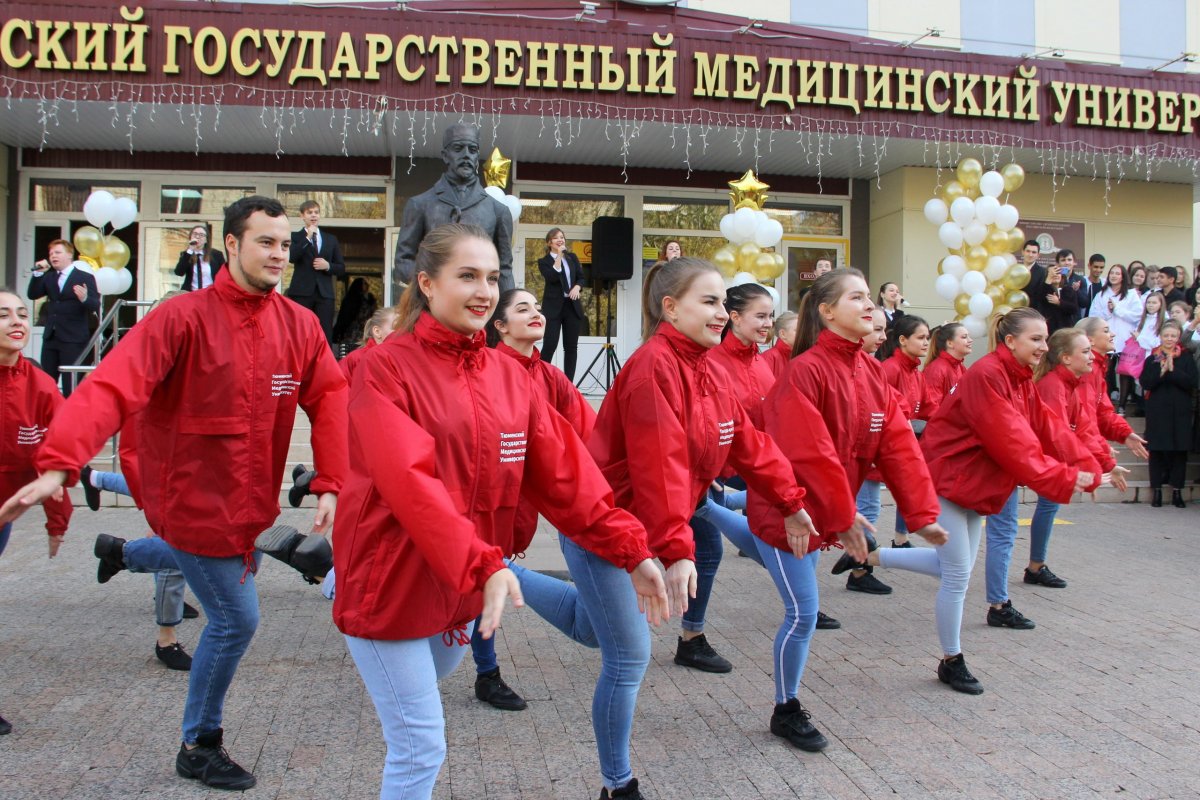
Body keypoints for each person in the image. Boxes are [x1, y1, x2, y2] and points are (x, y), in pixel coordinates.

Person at [0, 196, 350, 791]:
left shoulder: (299, 324)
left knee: (234, 570)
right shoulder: (181, 316)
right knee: (237, 620)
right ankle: (199, 743)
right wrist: (61, 462)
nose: (277, 254)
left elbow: (332, 399)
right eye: (265, 242)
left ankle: (118, 553)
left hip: (251, 505)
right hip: (190, 501)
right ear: (231, 245)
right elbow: (112, 386)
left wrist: (331, 480)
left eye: (285, 244)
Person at [332, 224, 665, 800]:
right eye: (467, 276)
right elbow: (411, 484)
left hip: (459, 588)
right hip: (390, 584)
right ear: (427, 283)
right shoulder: (384, 368)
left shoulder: (509, 375)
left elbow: (567, 478)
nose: (484, 291)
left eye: (491, 277)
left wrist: (630, 549)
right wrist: (484, 564)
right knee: (420, 745)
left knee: (425, 700)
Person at [835, 308, 1100, 694]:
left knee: (950, 569)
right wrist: (1068, 476)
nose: (1043, 346)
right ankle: (951, 659)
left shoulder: (1021, 378)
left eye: (1045, 339)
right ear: (1010, 341)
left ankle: (866, 557)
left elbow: (1048, 427)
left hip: (975, 487)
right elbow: (1014, 442)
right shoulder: (989, 375)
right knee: (957, 576)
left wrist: (1094, 464)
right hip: (948, 480)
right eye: (1036, 339)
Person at [588, 258, 828, 683]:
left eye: (723, 301)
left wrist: (790, 500)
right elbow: (659, 466)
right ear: (671, 308)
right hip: (613, 523)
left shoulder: (707, 367)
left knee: (606, 630)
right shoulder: (653, 367)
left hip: (661, 518)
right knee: (622, 653)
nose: (722, 312)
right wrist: (676, 551)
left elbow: (747, 441)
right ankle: (508, 576)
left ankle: (687, 635)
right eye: (709, 301)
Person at [486, 287, 671, 793]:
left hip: (575, 509)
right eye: (521, 308)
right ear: (498, 326)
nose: (536, 314)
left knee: (592, 631)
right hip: (507, 508)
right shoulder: (488, 370)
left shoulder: (550, 376)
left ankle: (502, 573)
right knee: (625, 655)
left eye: (537, 307)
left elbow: (589, 441)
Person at [0, 287, 73, 736]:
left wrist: (57, 524)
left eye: (23, 313)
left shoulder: (40, 385)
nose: (16, 321)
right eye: (4, 314)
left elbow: (61, 458)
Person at [1026, 329, 1129, 595]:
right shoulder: (1053, 385)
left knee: (1047, 508)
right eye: (1085, 351)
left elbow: (1084, 428)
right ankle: (1029, 572)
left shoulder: (1072, 383)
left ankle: (1036, 566)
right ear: (1066, 358)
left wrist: (1105, 464)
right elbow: (1056, 433)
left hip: (1045, 457)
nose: (1091, 357)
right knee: (1015, 519)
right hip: (1033, 457)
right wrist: (1079, 472)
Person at [393, 124, 514, 298]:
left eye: (472, 150)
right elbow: (404, 260)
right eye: (458, 148)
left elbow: (505, 269)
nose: (466, 155)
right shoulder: (420, 204)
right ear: (445, 155)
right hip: (432, 307)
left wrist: (506, 311)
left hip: (479, 306)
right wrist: (431, 287)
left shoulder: (498, 210)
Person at [869, 315, 934, 550]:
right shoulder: (890, 368)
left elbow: (928, 407)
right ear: (903, 340)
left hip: (901, 442)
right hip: (880, 445)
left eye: (927, 337)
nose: (926, 342)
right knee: (869, 506)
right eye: (921, 337)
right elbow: (879, 406)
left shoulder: (915, 372)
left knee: (905, 491)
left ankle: (900, 539)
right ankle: (859, 566)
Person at [846, 307, 896, 594]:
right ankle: (859, 566)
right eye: (876, 329)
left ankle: (860, 564)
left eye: (883, 331)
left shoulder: (874, 366)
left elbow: (891, 407)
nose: (881, 337)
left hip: (869, 455)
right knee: (865, 509)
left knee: (869, 509)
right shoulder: (860, 368)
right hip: (858, 457)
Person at [26, 239, 100, 397]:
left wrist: (85, 298)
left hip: (73, 338)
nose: (53, 256)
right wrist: (38, 273)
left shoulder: (84, 277)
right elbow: (33, 294)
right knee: (47, 381)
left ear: (69, 255)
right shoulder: (49, 277)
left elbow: (95, 305)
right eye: (51, 253)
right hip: (51, 336)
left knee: (70, 384)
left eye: (57, 252)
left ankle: (71, 418)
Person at [1141, 320, 1198, 508]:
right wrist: (1162, 371)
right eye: (1166, 335)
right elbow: (1146, 382)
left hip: (1180, 412)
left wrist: (1172, 372)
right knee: (1156, 451)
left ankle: (1177, 491)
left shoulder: (1186, 357)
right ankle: (1156, 491)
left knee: (1179, 452)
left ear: (1178, 337)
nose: (1170, 339)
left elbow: (1192, 383)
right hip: (1158, 411)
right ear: (1161, 337)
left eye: (1173, 336)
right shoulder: (1153, 358)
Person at [287, 200, 346, 344]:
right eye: (309, 212)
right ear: (302, 216)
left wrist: (328, 266)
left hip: (324, 293)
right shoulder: (295, 237)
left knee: (325, 333)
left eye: (316, 212)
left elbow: (341, 268)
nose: (313, 216)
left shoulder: (330, 239)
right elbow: (292, 257)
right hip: (302, 292)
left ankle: (325, 365)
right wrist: (307, 238)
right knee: (300, 331)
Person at [537, 227, 585, 382]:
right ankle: (541, 381)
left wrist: (578, 286)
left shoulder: (572, 257)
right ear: (549, 242)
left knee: (571, 347)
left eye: (562, 237)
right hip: (553, 309)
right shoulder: (544, 262)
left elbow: (581, 277)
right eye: (556, 238)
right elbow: (552, 277)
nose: (560, 240)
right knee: (550, 345)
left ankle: (568, 384)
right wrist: (558, 257)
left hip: (572, 306)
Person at [1089, 264, 1139, 399]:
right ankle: (1106, 401)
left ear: (1123, 277)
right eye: (1112, 273)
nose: (1114, 276)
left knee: (1125, 373)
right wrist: (1108, 311)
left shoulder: (1131, 294)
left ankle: (1122, 405)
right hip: (1106, 339)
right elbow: (1093, 316)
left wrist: (1117, 310)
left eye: (1117, 273)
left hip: (1125, 339)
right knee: (1106, 372)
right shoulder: (1101, 294)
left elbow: (1137, 315)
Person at [923, 322, 972, 418]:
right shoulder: (936, 369)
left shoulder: (960, 367)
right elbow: (932, 408)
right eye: (964, 337)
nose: (970, 340)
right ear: (950, 343)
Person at [1029, 250, 1080, 333]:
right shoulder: (1044, 289)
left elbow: (1074, 308)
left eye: (1058, 272)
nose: (1055, 275)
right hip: (1049, 329)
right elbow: (1040, 298)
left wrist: (1059, 302)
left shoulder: (1068, 290)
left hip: (1065, 329)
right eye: (1053, 273)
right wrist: (1049, 278)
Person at [173, 223, 226, 292]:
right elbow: (179, 272)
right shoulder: (187, 254)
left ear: (206, 240)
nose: (197, 237)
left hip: (210, 294)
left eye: (201, 235)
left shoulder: (216, 255)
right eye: (195, 234)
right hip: (192, 294)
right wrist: (190, 250)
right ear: (190, 237)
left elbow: (224, 275)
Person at [332, 276, 377, 345]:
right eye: (364, 284)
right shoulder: (351, 300)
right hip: (350, 332)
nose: (367, 286)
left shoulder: (369, 299)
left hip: (364, 330)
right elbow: (344, 317)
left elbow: (372, 313)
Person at [761, 310, 797, 378]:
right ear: (783, 334)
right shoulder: (768, 358)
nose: (802, 334)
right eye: (797, 330)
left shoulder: (800, 356)